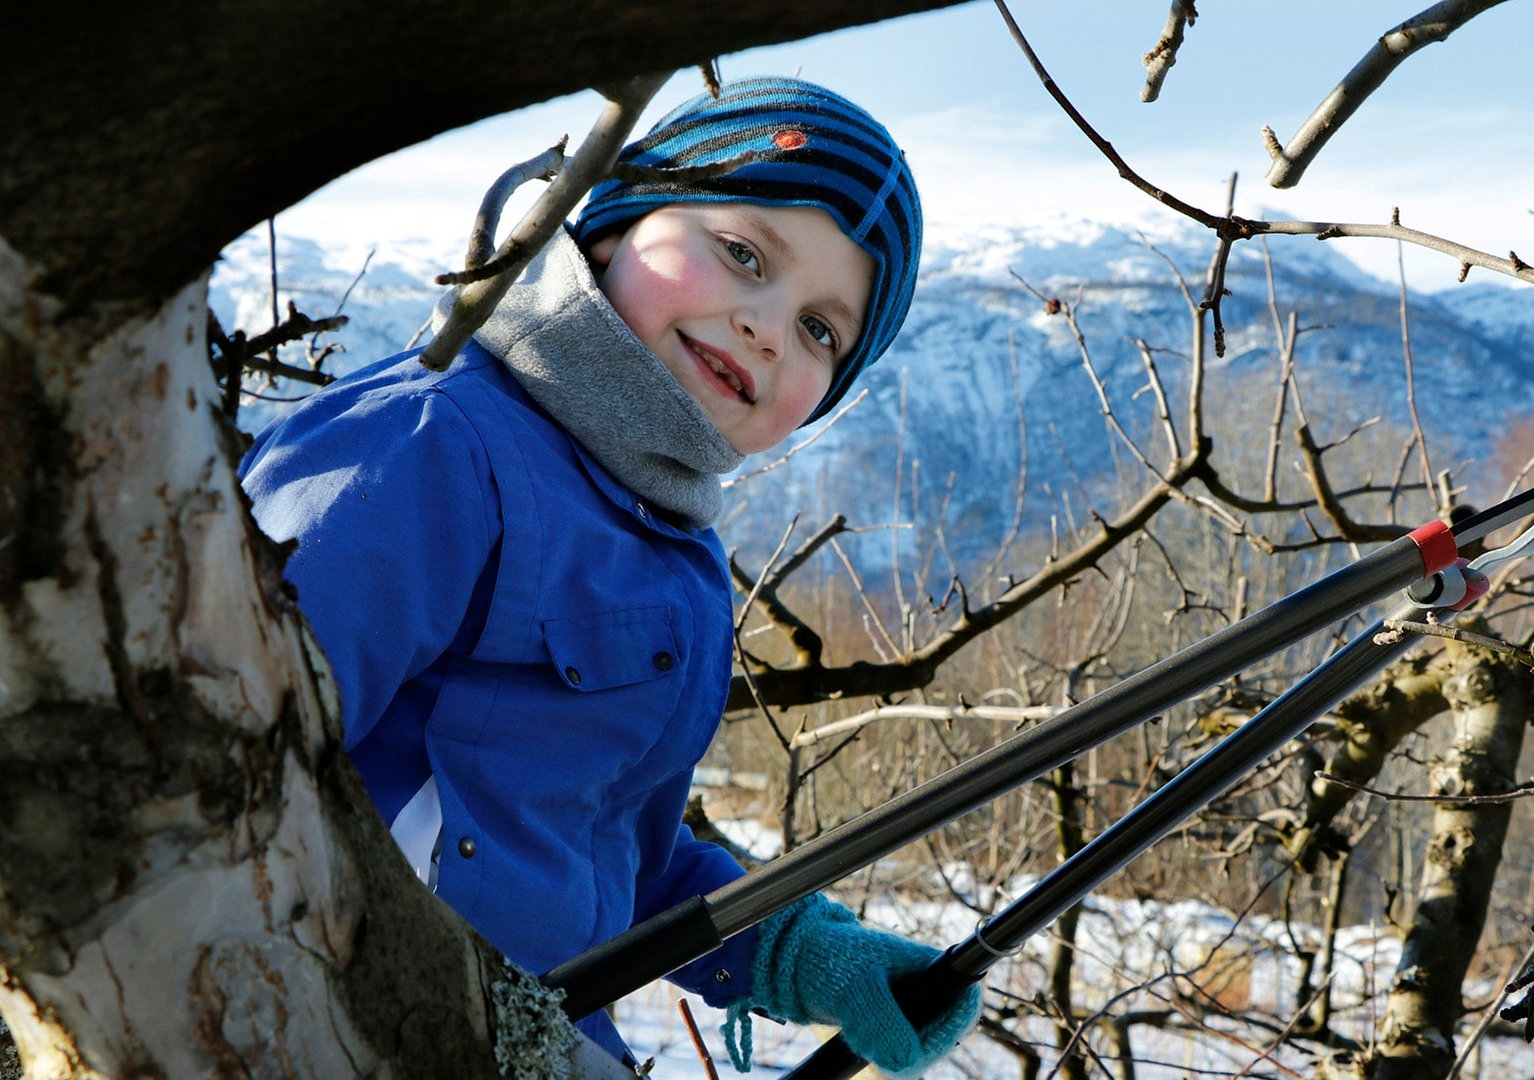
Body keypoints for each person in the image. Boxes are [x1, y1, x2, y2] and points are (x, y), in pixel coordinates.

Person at [239, 77, 979, 1076]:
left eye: (821, 332)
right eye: (744, 253)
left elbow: (603, 850)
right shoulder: (435, 445)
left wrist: (799, 951)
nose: (767, 324)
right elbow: (224, 743)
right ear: (615, 223)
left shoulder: (673, 555)